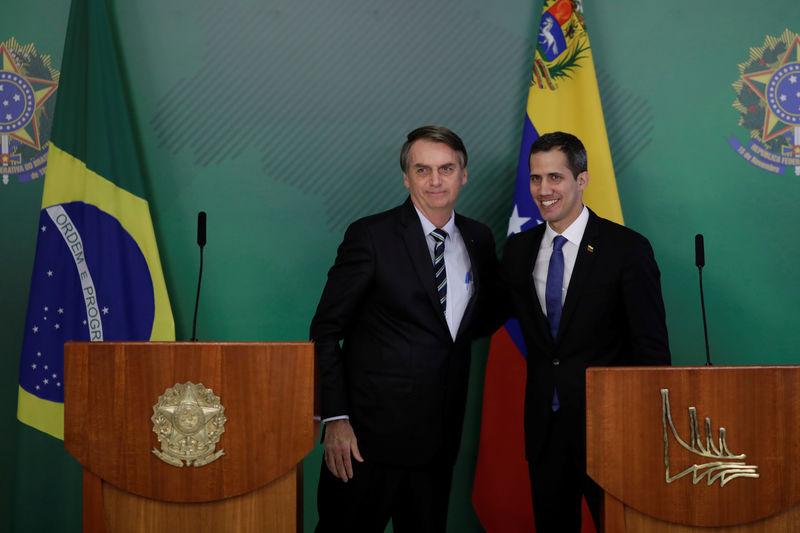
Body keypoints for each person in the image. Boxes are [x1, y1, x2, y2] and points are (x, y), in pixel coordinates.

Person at [310, 125, 498, 532]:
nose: (435, 181)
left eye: (446, 168)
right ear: (406, 177)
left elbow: (472, 322)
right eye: (422, 169)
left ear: (463, 174)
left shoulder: (479, 239)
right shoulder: (371, 236)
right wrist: (335, 419)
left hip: (438, 445)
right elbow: (325, 331)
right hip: (364, 445)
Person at [500, 131, 670, 532]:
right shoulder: (518, 250)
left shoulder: (626, 249)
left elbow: (651, 348)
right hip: (545, 431)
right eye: (536, 178)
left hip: (611, 430)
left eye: (555, 177)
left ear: (582, 180)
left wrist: (646, 427)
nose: (544, 190)